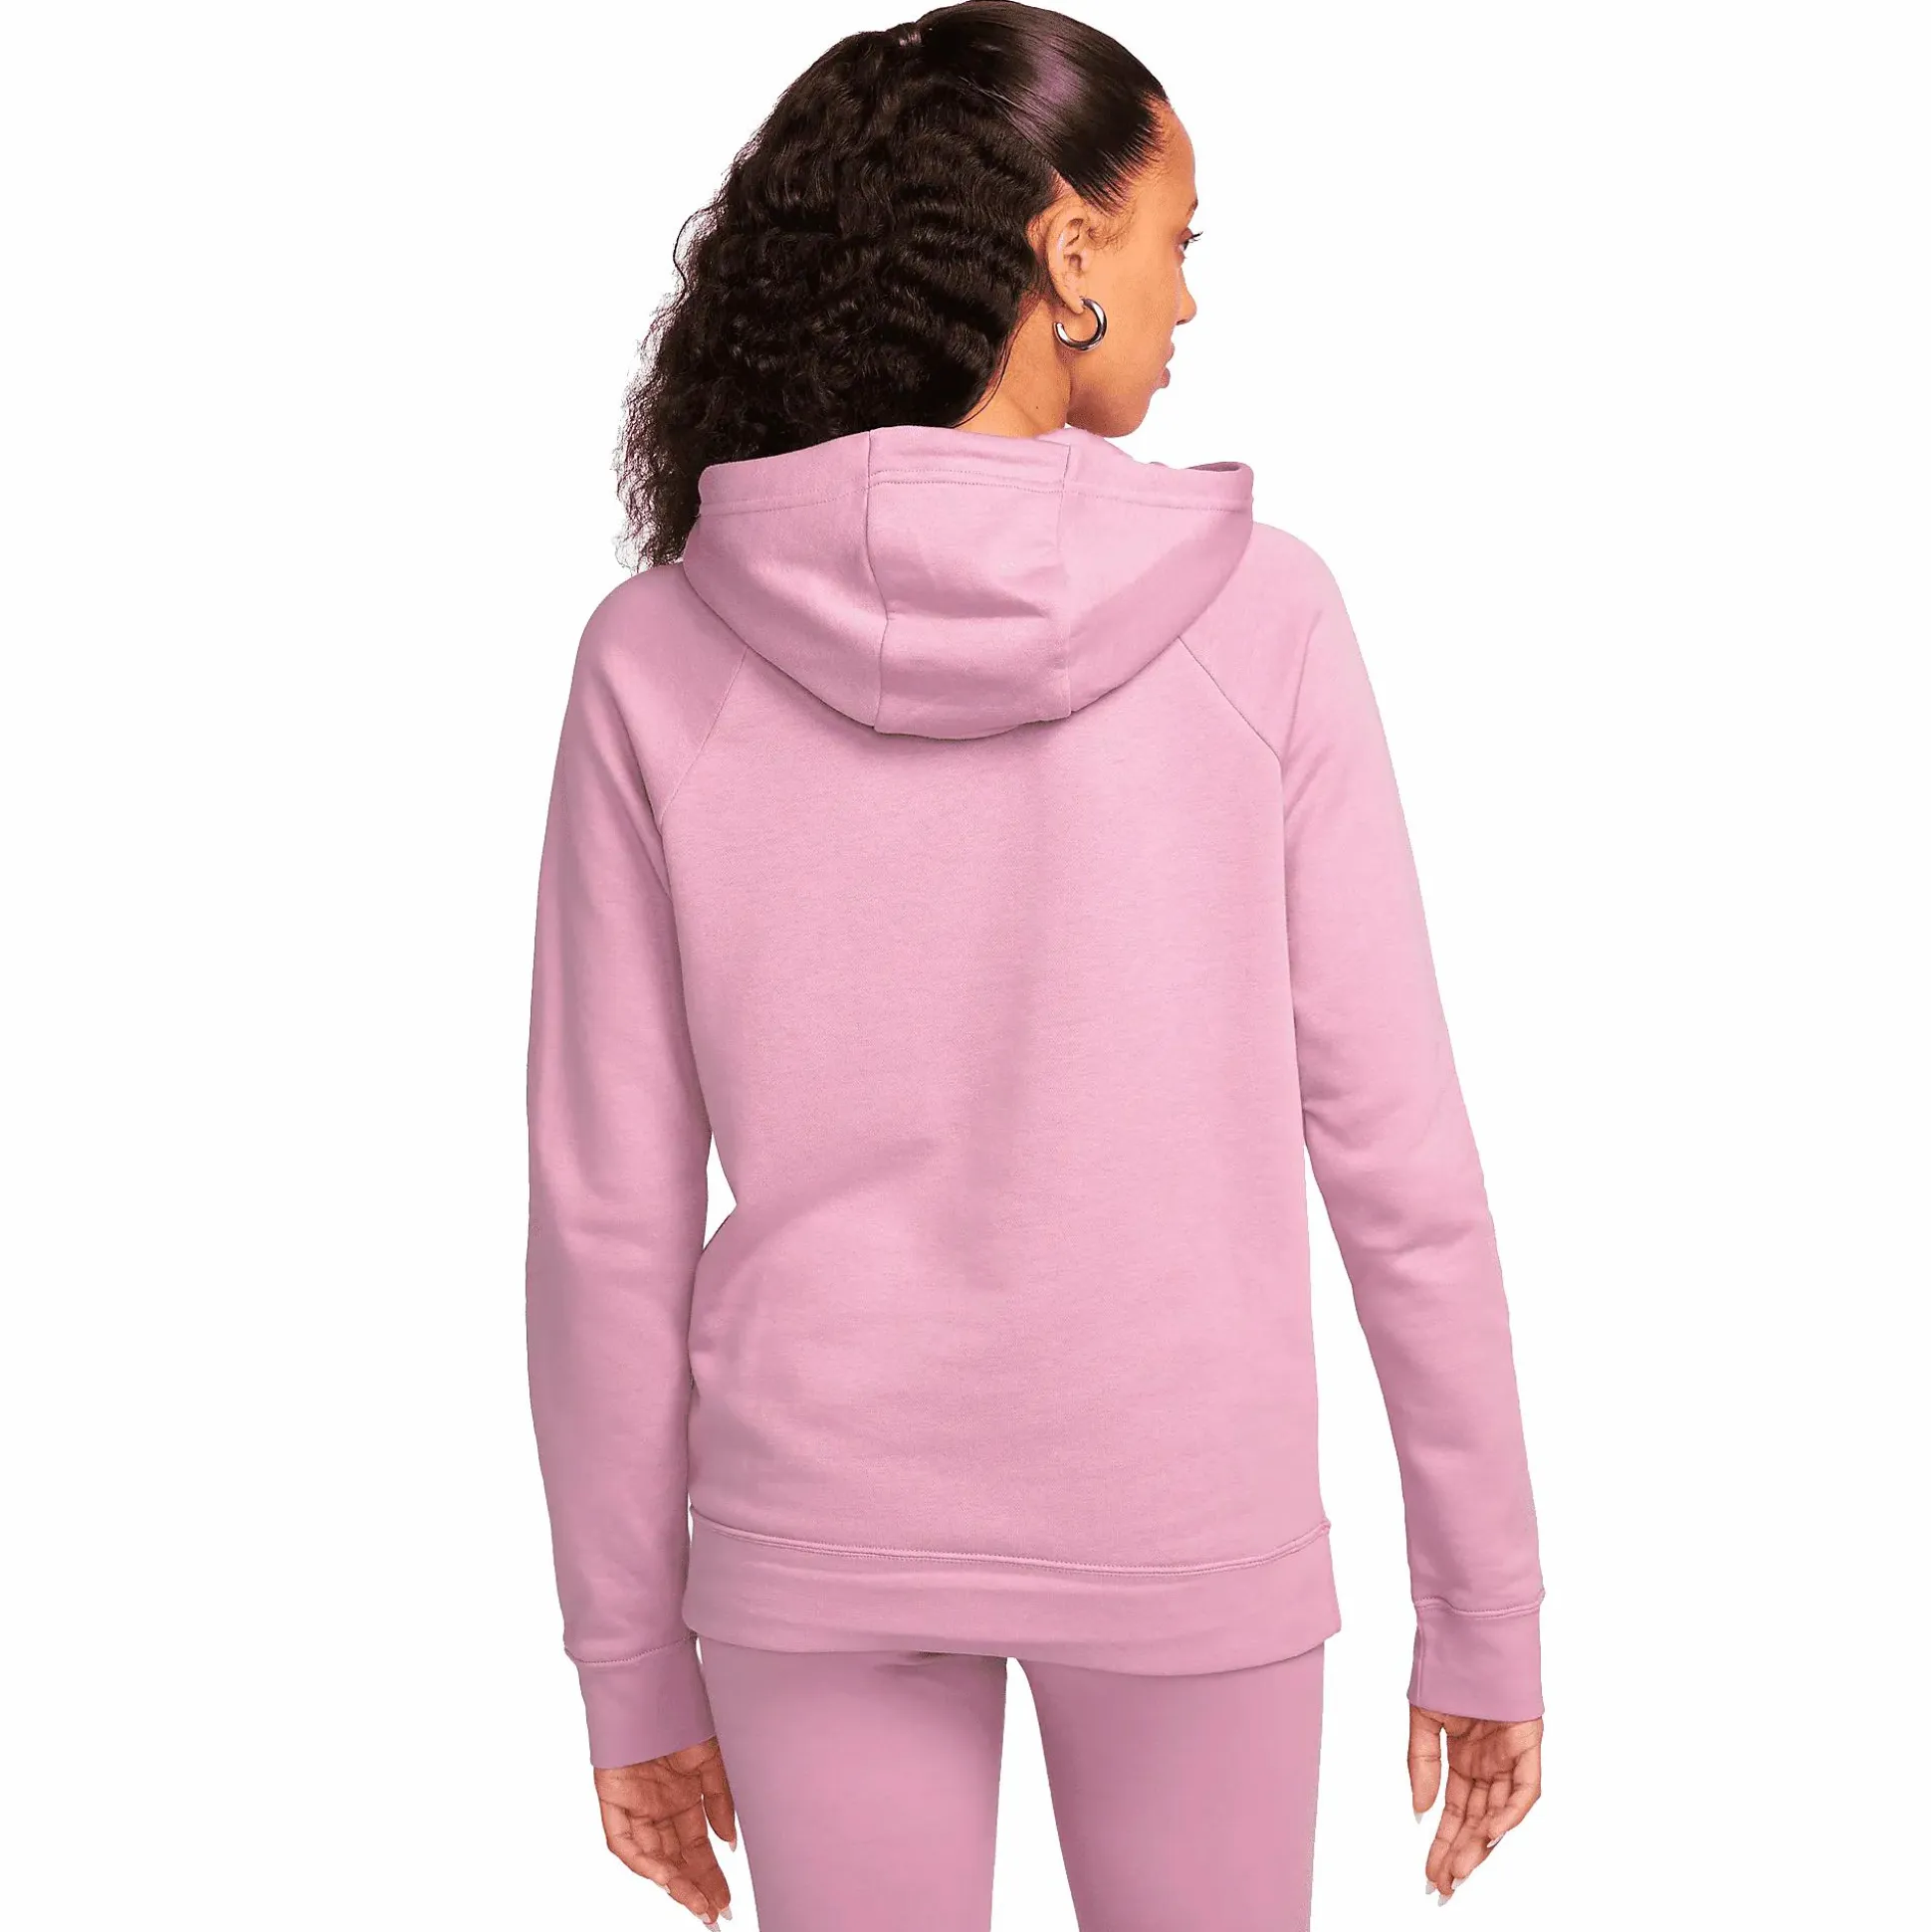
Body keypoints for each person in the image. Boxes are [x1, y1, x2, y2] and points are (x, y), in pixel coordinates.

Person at [524, 5, 1546, 1927]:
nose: (1188, 297)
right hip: (1185, 1509)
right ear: (1068, 254)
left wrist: (630, 1665)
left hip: (816, 1520)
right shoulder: (1267, 619)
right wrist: (1484, 1607)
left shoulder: (656, 656)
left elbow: (605, 1217)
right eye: (1175, 240)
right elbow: (1401, 1164)